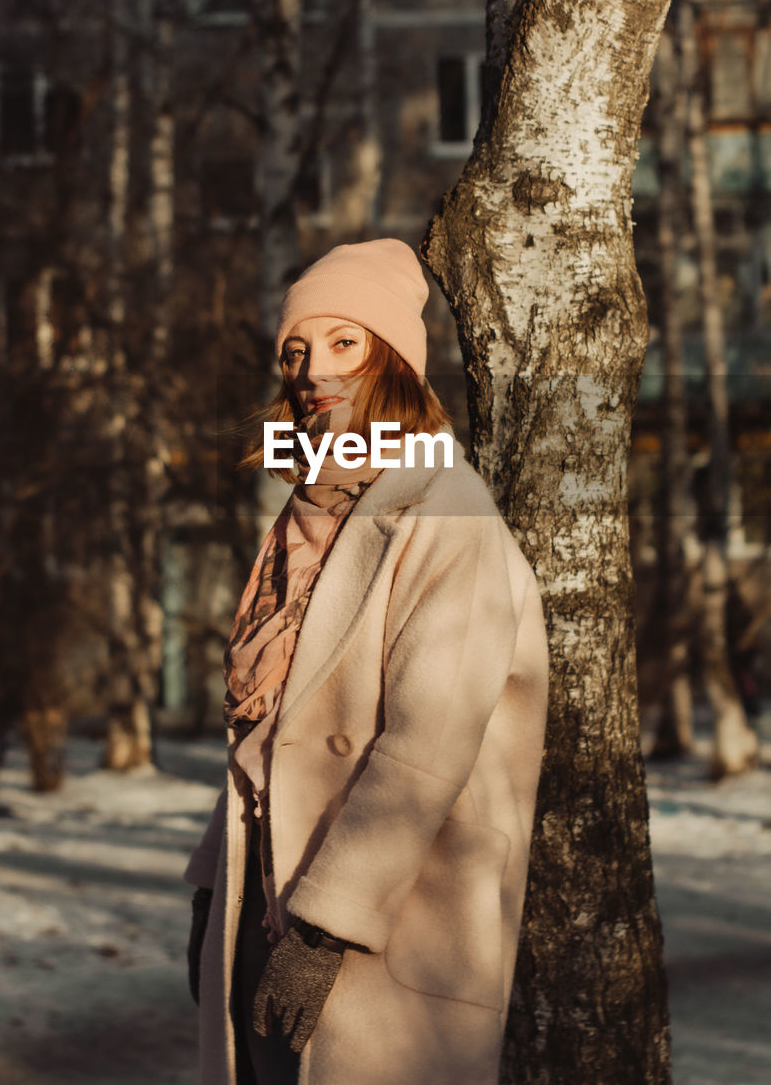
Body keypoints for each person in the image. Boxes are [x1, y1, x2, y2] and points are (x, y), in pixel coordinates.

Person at [184, 238, 549, 1085]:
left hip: (382, 925)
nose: (312, 369)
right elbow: (264, 733)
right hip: (263, 908)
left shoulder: (445, 510)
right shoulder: (304, 519)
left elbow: (427, 745)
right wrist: (213, 890)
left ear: (392, 359)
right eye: (295, 350)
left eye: (343, 342)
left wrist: (322, 930)